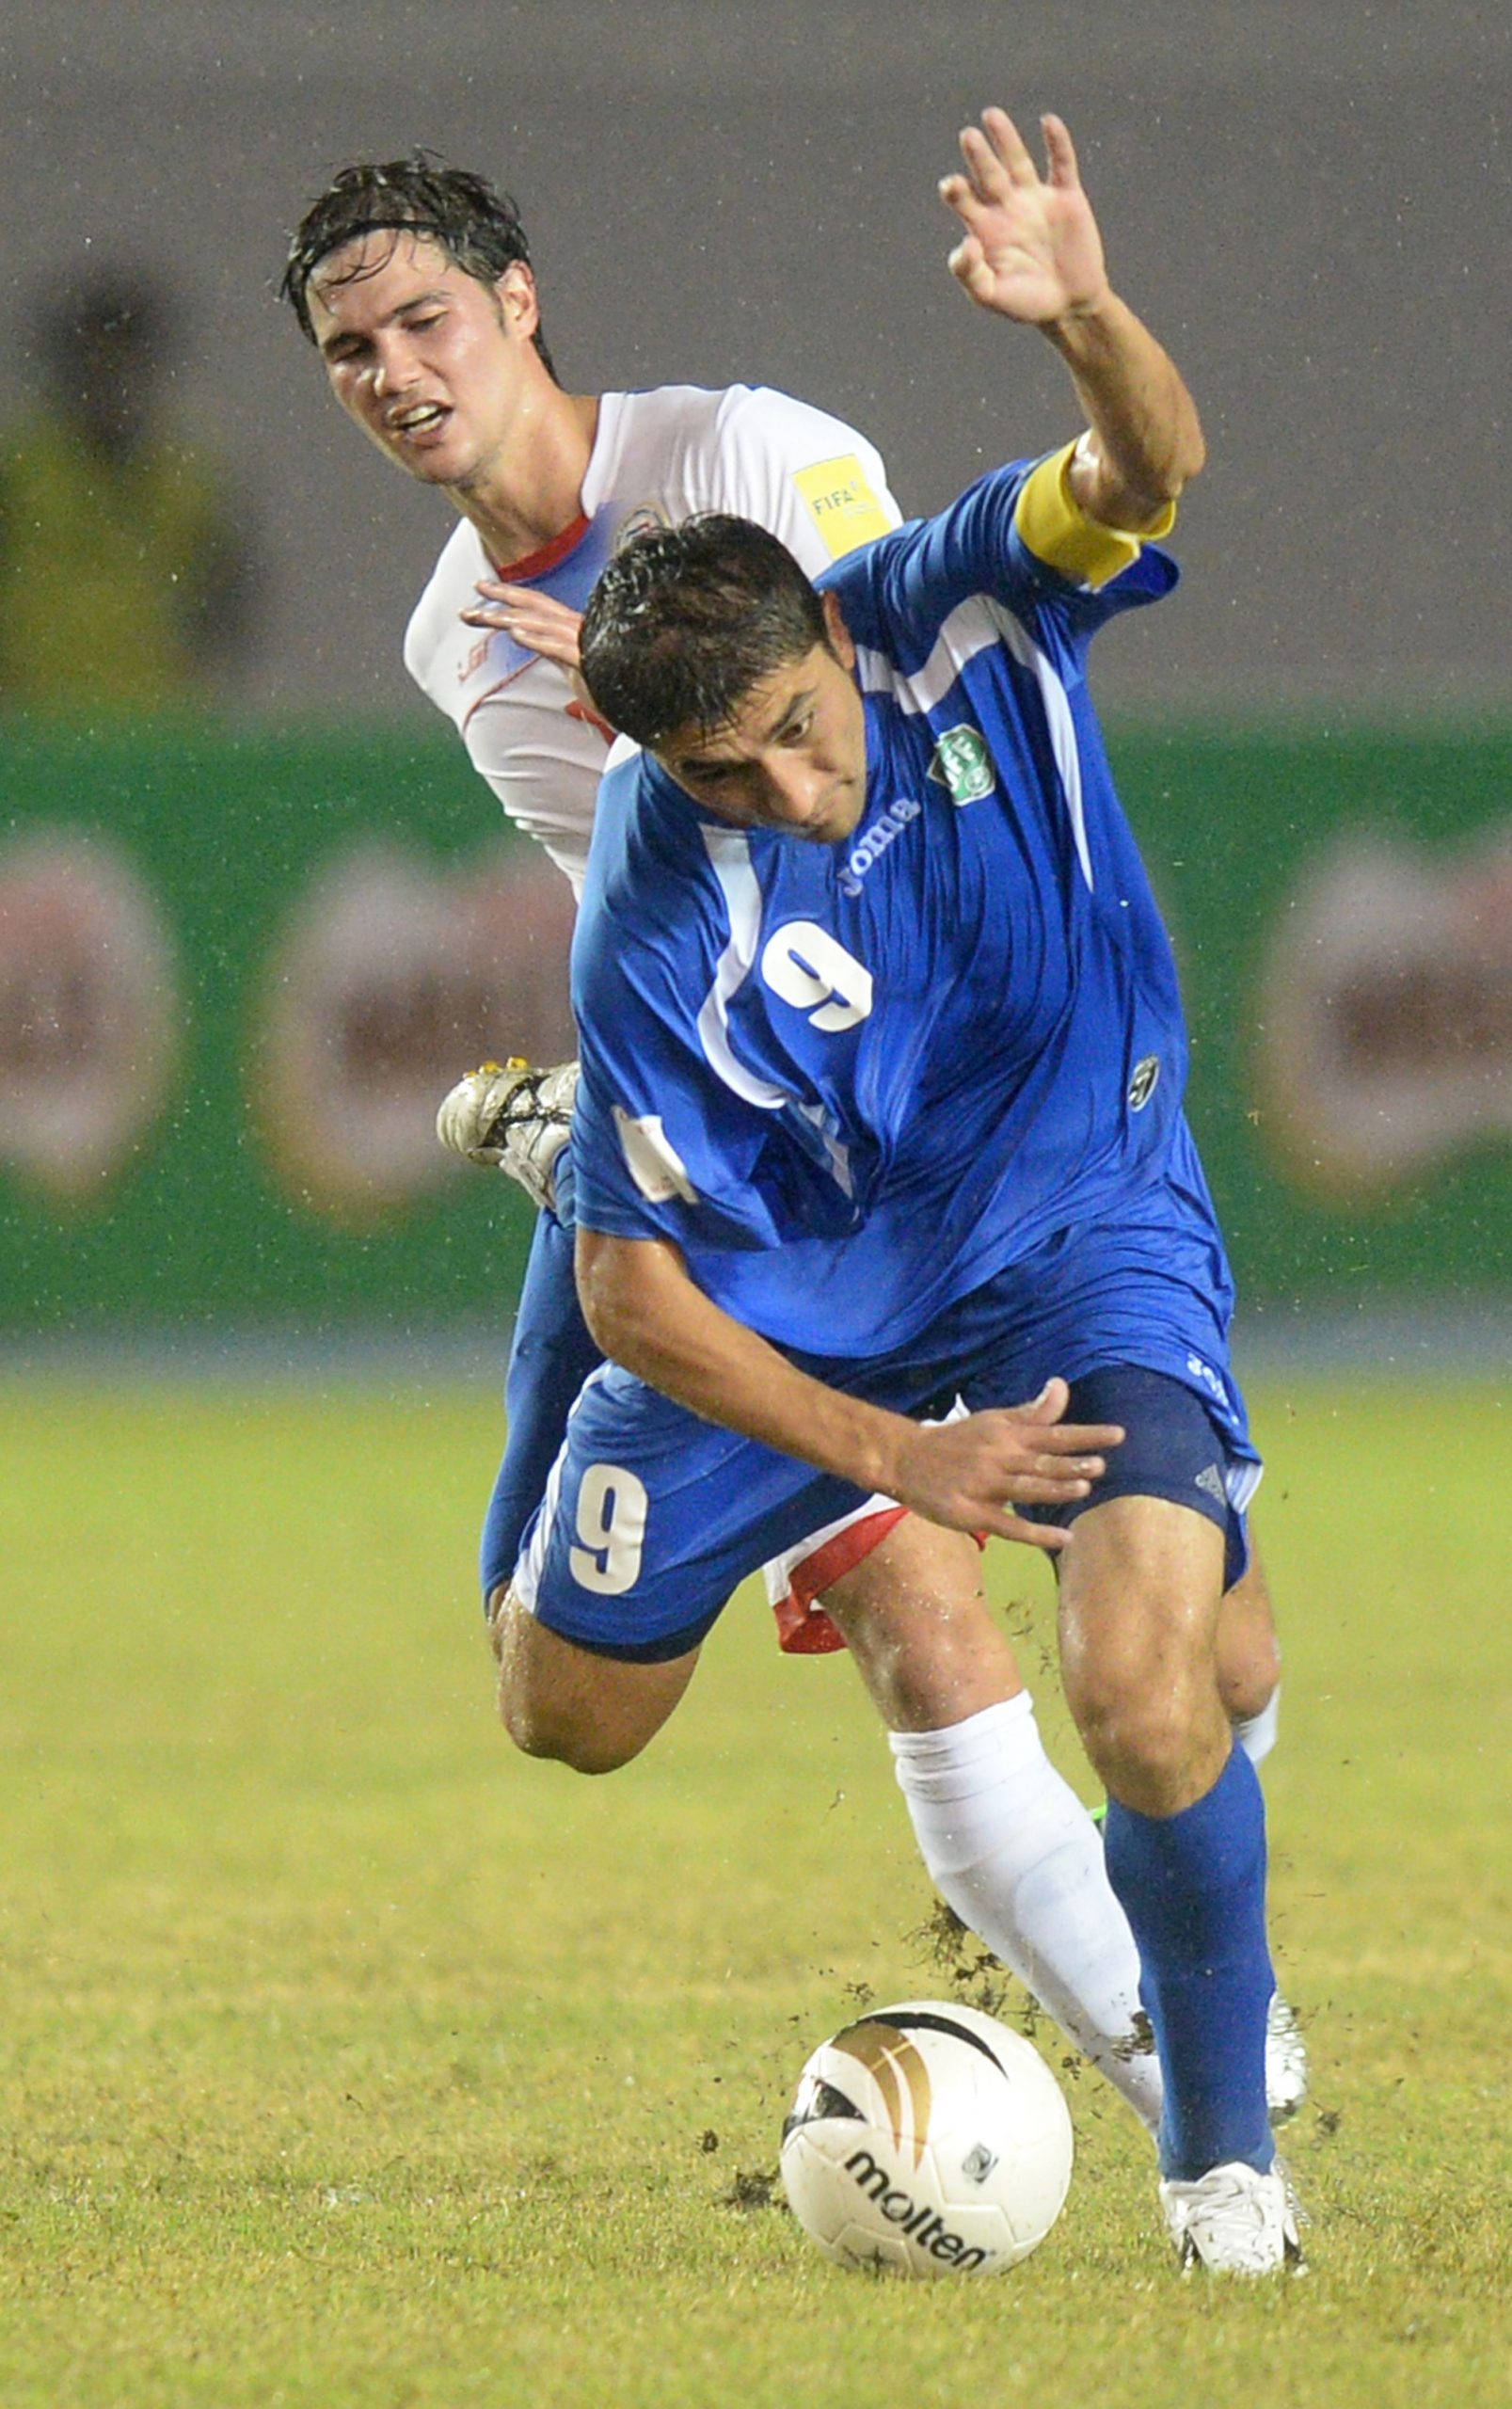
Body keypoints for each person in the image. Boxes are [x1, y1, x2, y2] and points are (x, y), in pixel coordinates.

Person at [279, 132, 1303, 2162]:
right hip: (744, 1175)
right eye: (345, 349)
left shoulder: (747, 455)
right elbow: (646, 903)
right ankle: (1199, 2061)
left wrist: (1076, 326)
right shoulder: (451, 647)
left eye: (421, 318)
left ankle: (1195, 2057)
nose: (393, 368)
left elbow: (909, 701)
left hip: (974, 1134)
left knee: (1193, 1637)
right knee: (584, 1698)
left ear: (518, 299)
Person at [0, 268, 256, 712]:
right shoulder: (18, 474)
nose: (109, 381)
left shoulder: (190, 484)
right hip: (29, 737)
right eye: (93, 364)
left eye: (122, 364)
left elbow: (225, 611)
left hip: (156, 736)